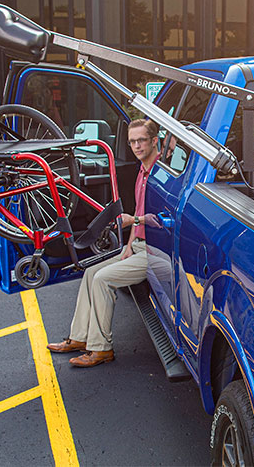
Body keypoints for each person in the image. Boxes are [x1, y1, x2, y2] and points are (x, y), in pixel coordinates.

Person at [46, 118, 160, 367]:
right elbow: (137, 217)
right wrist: (129, 244)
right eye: (132, 142)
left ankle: (101, 349)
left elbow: (159, 220)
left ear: (154, 141)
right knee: (90, 272)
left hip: (156, 252)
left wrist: (136, 220)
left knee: (102, 280)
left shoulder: (160, 174)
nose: (136, 146)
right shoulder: (142, 171)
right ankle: (79, 337)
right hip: (139, 246)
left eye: (141, 140)